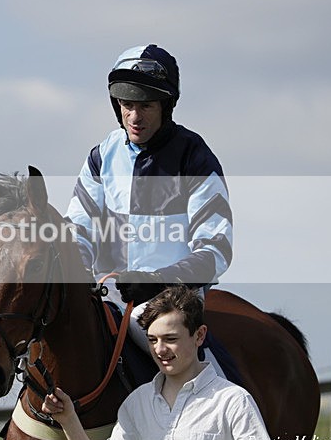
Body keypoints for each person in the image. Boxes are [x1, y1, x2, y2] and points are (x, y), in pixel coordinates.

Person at [41, 285, 287, 440]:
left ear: (199, 335)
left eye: (170, 339)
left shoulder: (233, 401)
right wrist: (68, 420)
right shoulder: (137, 403)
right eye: (152, 340)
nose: (159, 350)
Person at [65, 44, 233, 349]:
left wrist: (156, 280)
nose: (134, 116)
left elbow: (216, 250)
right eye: (126, 104)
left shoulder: (194, 157)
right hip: (107, 297)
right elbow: (78, 230)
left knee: (166, 350)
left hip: (172, 301)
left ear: (166, 106)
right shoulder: (102, 156)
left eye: (146, 106)